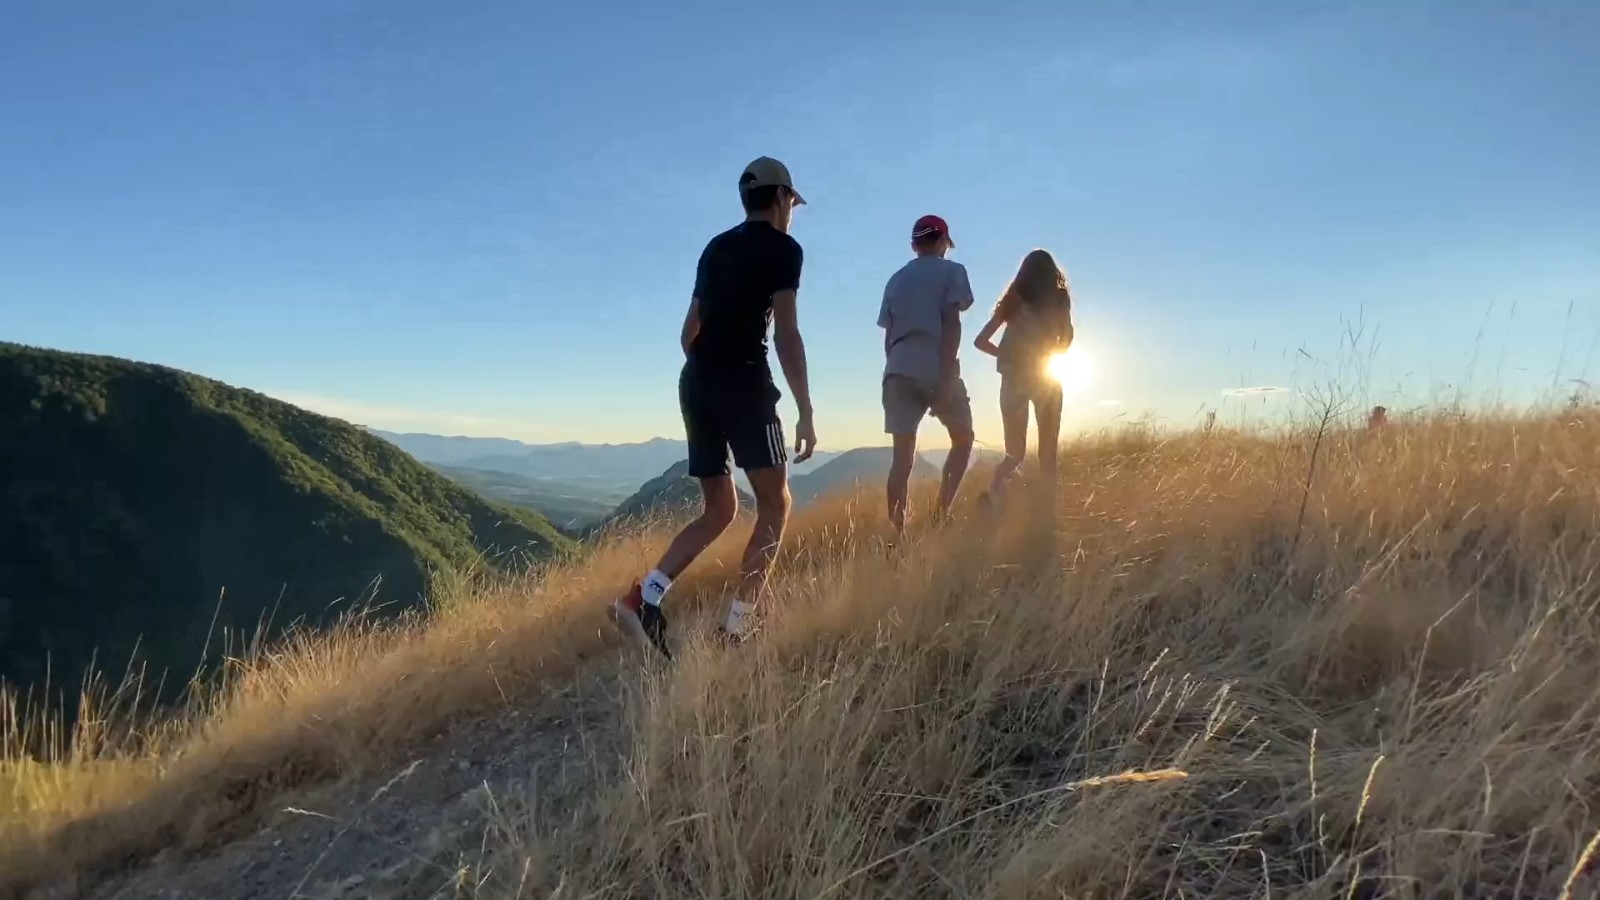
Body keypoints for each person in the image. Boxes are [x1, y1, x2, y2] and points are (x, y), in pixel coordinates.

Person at [611, 157, 818, 659]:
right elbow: (787, 334)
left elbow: (688, 334)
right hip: (745, 380)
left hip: (697, 380)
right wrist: (805, 409)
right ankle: (738, 628)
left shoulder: (715, 247)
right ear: (780, 198)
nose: (792, 210)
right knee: (775, 503)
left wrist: (708, 376)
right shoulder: (784, 249)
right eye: (791, 200)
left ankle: (645, 599)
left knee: (720, 508)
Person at [876, 214, 976, 534]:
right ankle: (940, 513)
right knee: (963, 438)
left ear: (914, 245)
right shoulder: (952, 271)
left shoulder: (895, 280)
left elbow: (887, 337)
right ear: (943, 241)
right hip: (934, 364)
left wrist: (896, 369)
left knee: (901, 459)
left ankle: (896, 534)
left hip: (897, 369)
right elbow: (952, 324)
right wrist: (946, 379)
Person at [973, 248, 1073, 506]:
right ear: (1053, 272)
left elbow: (980, 341)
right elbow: (1067, 338)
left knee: (1014, 453)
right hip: (1045, 379)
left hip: (1013, 380)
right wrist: (1050, 350)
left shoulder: (1013, 299)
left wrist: (1006, 355)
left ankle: (995, 493)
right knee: (1048, 452)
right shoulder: (1060, 298)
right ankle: (1046, 507)